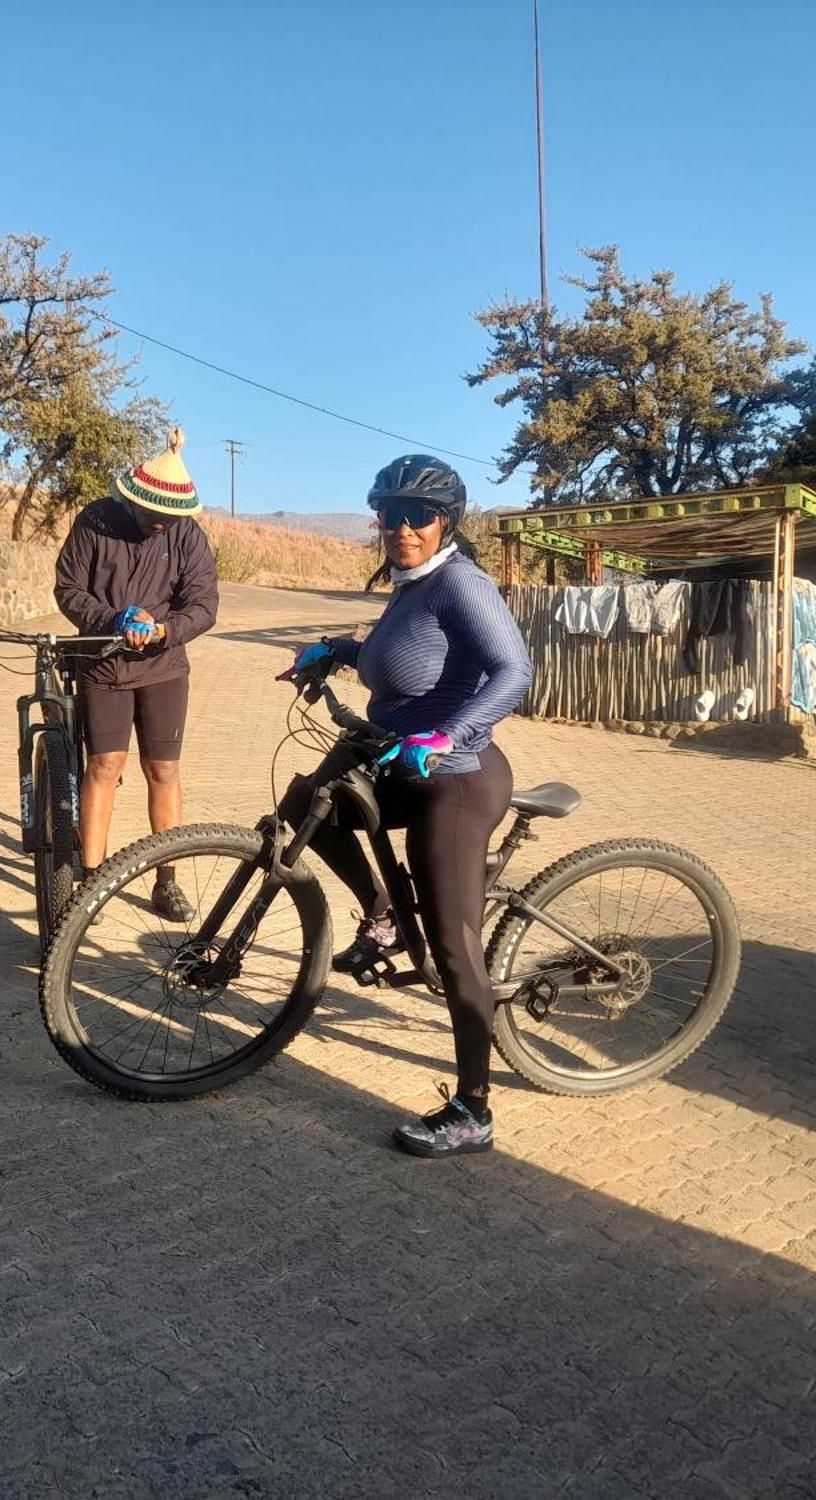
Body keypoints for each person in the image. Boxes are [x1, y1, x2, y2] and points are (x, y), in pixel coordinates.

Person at [279, 455, 532, 1159]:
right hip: (399, 756)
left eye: (415, 516)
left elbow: (516, 671)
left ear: (445, 521)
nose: (399, 528)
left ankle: (474, 1111)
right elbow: (404, 660)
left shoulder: (461, 583)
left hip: (455, 777)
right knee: (308, 805)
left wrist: (450, 732)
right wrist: (335, 649)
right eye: (387, 514)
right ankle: (384, 917)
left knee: (455, 948)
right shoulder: (411, 584)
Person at [54, 427, 219, 921]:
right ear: (132, 500)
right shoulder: (94, 523)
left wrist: (167, 630)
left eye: (172, 517)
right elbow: (67, 589)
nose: (163, 524)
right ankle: (90, 881)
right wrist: (113, 619)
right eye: (156, 515)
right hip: (103, 662)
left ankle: (165, 880)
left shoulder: (186, 534)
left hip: (164, 668)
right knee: (105, 766)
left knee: (163, 770)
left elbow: (205, 604)